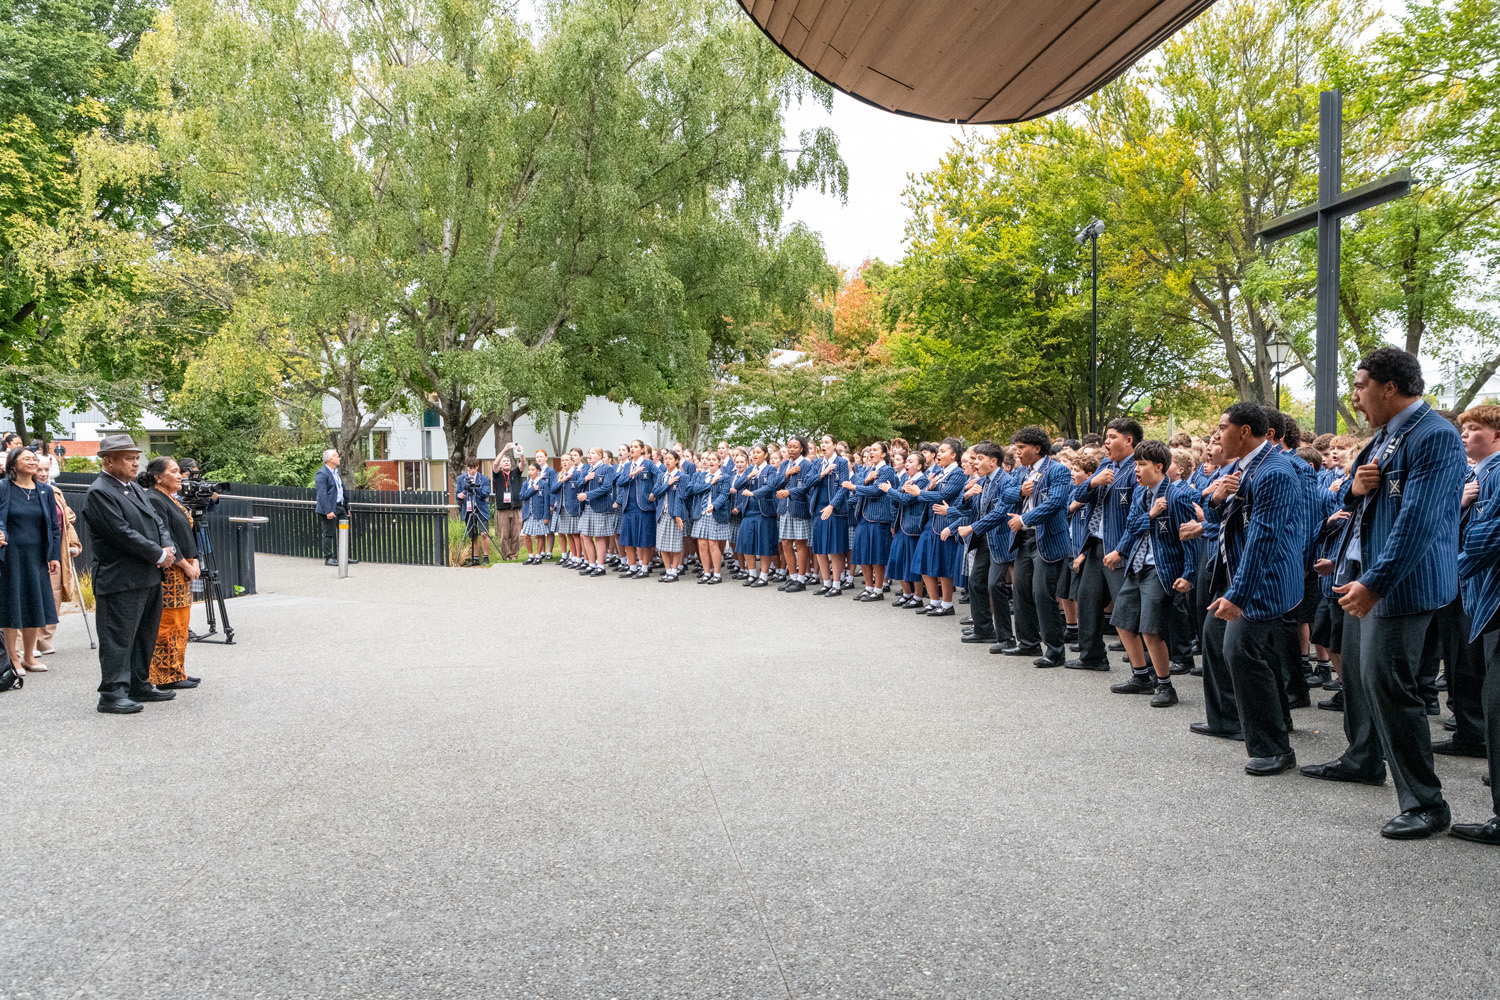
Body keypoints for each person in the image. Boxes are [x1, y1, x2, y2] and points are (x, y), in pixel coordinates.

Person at [1304, 348, 1464, 839]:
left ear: (1389, 387)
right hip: (1363, 578)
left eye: (1359, 386)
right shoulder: (1384, 438)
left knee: (1393, 690)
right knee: (1359, 678)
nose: (1355, 396)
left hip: (1397, 586)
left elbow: (1420, 521)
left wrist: (1375, 583)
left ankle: (1426, 803)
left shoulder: (1435, 435)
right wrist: (1354, 490)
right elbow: (1345, 497)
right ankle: (1363, 758)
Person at [1207, 402, 1305, 777]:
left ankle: (1274, 748)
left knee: (1240, 650)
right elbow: (1224, 520)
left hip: (1267, 581)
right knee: (1237, 646)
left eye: (1222, 428)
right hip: (1250, 577)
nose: (1216, 436)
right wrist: (1217, 497)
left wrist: (1238, 595)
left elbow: (1264, 541)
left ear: (1244, 431)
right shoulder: (1247, 468)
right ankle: (1275, 730)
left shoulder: (1274, 471)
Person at [81, 435, 178, 714]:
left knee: (143, 634)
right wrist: (159, 554)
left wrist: (167, 546)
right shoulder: (100, 492)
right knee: (118, 637)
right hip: (120, 578)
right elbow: (121, 534)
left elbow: (157, 521)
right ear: (108, 460)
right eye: (128, 457)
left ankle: (139, 683)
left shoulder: (132, 488)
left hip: (146, 575)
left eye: (136, 457)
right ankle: (112, 693)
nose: (136, 462)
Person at [1109, 440, 1197, 708]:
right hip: (1136, 565)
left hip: (1160, 570)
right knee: (1123, 622)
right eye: (1135, 464)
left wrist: (1189, 573)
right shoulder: (1141, 493)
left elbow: (1188, 536)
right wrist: (1120, 552)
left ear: (1159, 467)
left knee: (1150, 630)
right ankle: (1140, 676)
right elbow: (1132, 526)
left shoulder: (1177, 496)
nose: (1136, 470)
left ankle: (1165, 685)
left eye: (1142, 464)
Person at [1005, 426, 1073, 665]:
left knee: (1043, 594)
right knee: (1021, 591)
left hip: (1048, 538)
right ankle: (1028, 643)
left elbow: (1055, 503)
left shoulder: (1058, 471)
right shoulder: (1021, 472)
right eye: (1016, 447)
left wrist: (1024, 519)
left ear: (1037, 447)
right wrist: (1020, 492)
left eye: (1021, 447)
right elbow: (1005, 495)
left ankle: (1055, 651)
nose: (1017, 452)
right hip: (1024, 539)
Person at [139, 457, 202, 690]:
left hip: (185, 569)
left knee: (181, 623)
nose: (179, 476)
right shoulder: (154, 499)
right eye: (173, 471)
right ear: (158, 476)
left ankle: (177, 670)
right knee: (168, 623)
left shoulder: (169, 498)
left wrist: (193, 562)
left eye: (179, 472)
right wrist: (185, 564)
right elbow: (165, 538)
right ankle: (163, 675)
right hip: (171, 571)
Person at [0, 445, 62, 674]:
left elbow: (54, 528)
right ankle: (12, 658)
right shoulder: (3, 488)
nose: (33, 462)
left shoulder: (45, 491)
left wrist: (54, 555)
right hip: (10, 557)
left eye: (34, 459)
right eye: (27, 458)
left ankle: (28, 656)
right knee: (12, 606)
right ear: (13, 464)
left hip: (37, 556)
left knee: (35, 604)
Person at [910, 438, 966, 616]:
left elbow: (945, 494)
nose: (939, 454)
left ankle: (947, 604)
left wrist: (922, 492)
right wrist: (927, 489)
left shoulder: (957, 473)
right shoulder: (940, 473)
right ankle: (934, 601)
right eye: (938, 451)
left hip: (945, 524)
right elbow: (928, 496)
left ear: (954, 455)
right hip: (930, 522)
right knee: (923, 562)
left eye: (943, 451)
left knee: (943, 566)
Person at [33, 463, 81, 657]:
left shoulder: (55, 492)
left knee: (53, 595)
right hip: (33, 550)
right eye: (39, 470)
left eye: (46, 470)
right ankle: (27, 642)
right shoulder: (21, 491)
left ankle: (45, 639)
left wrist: (75, 543)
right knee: (32, 594)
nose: (43, 474)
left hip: (56, 551)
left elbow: (67, 520)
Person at [851, 441, 899, 602]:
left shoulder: (887, 471)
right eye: (870, 450)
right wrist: (862, 483)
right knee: (862, 553)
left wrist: (854, 487)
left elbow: (877, 491)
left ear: (884, 454)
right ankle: (868, 588)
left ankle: (878, 589)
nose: (871, 453)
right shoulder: (868, 470)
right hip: (864, 516)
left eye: (875, 450)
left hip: (879, 518)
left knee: (877, 555)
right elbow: (861, 487)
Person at [315, 449, 357, 567]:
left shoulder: (336, 473)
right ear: (330, 459)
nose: (339, 458)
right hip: (330, 509)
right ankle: (328, 558)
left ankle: (343, 556)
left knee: (343, 532)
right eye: (336, 456)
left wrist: (346, 506)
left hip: (340, 507)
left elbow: (341, 490)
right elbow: (322, 494)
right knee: (329, 533)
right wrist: (328, 510)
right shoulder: (322, 473)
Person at [455, 458, 492, 565]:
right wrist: (459, 495)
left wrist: (475, 487)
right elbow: (457, 493)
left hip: (481, 509)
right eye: (470, 468)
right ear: (467, 467)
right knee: (473, 535)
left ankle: (486, 557)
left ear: (477, 467)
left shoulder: (483, 478)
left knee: (484, 533)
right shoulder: (462, 478)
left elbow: (486, 493)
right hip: (468, 509)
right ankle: (475, 558)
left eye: (474, 468)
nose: (472, 470)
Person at [519, 456, 555, 564]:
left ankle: (538, 556)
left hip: (539, 513)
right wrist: (532, 490)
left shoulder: (543, 484)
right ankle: (530, 556)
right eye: (529, 470)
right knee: (526, 535)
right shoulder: (526, 484)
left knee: (540, 535)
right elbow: (522, 496)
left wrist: (546, 516)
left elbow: (546, 500)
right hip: (528, 514)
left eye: (532, 470)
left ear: (538, 471)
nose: (530, 472)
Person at [491, 448, 524, 561]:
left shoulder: (516, 473)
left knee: (515, 534)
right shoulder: (498, 474)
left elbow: (523, 463)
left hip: (516, 509)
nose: (506, 462)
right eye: (504, 461)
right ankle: (506, 555)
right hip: (503, 510)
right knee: (504, 535)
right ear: (500, 465)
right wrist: (505, 449)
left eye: (508, 461)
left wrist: (521, 452)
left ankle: (514, 555)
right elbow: (495, 463)